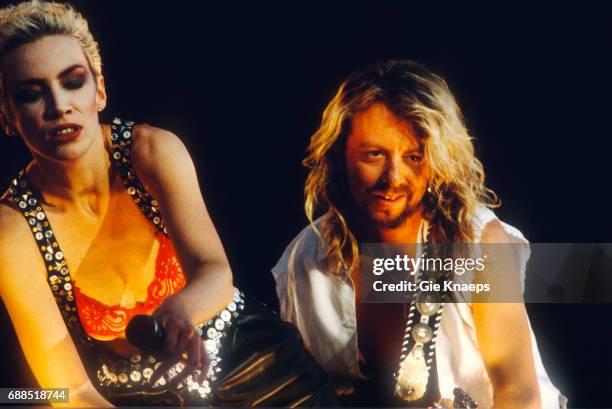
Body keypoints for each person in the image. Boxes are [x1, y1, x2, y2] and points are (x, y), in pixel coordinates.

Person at [0, 1, 330, 406]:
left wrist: (179, 310)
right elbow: (70, 390)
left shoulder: (151, 152)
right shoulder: (11, 229)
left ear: (99, 90)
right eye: (31, 95)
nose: (58, 107)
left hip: (252, 364)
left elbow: (215, 273)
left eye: (72, 82)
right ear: (7, 116)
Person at [272, 60, 565, 408]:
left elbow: (519, 392)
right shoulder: (304, 258)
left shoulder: (477, 242)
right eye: (374, 154)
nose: (392, 177)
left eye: (413, 157)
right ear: (339, 156)